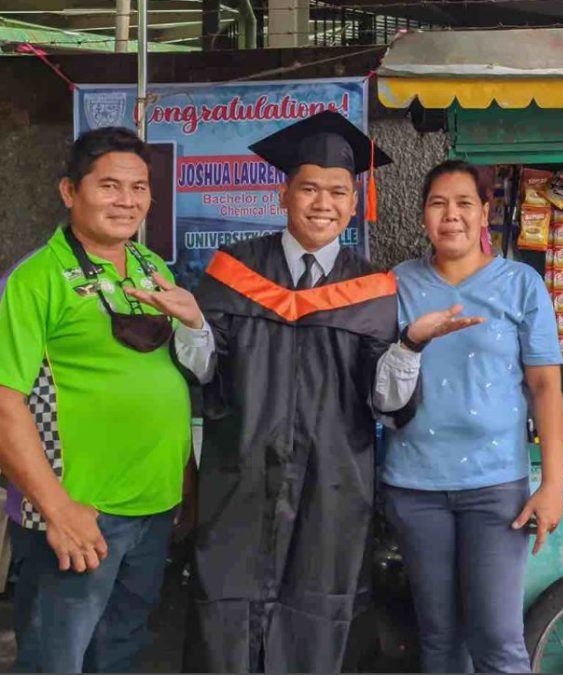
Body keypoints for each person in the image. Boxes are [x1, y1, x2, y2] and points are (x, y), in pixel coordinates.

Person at [128, 111, 480, 673]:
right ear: (283, 193)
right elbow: (202, 373)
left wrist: (410, 345)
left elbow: (385, 403)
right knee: (228, 615)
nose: (323, 203)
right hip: (241, 481)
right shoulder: (233, 271)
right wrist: (193, 323)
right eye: (309, 188)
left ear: (354, 200)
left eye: (338, 191)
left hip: (331, 490)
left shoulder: (371, 290)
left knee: (318, 618)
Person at [0, 126, 196, 672]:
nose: (126, 201)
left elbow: (165, 376)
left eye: (139, 188)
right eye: (110, 186)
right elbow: (3, 403)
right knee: (56, 658)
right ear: (70, 192)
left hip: (152, 507)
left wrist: (185, 483)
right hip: (79, 513)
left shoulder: (151, 269)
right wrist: (58, 509)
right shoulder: (34, 280)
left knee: (122, 651)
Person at [381, 160, 563, 674]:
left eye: (464, 203)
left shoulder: (521, 285)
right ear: (422, 216)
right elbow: (376, 379)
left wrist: (553, 483)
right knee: (439, 641)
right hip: (414, 485)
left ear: (486, 211)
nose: (451, 215)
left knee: (497, 639)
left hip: (495, 487)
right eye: (438, 203)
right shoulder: (396, 284)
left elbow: (545, 386)